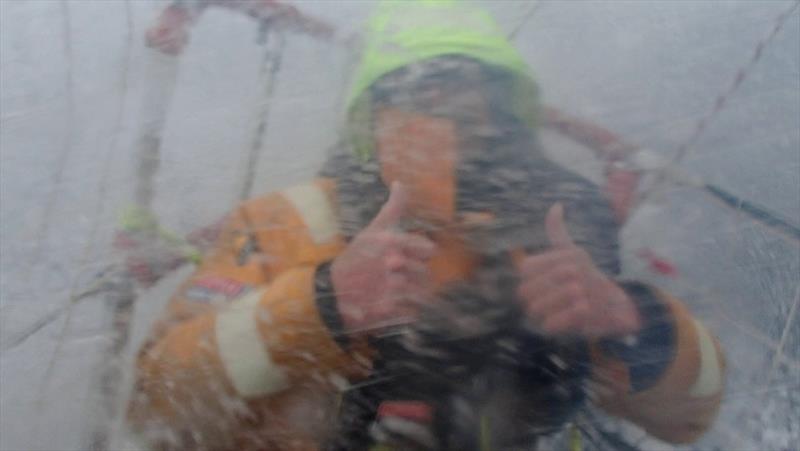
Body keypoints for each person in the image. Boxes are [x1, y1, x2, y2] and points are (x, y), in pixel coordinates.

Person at [127, 1, 726, 449]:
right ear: (375, 114)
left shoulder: (554, 235)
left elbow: (691, 415)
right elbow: (157, 400)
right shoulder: (289, 222)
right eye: (427, 89)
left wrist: (631, 319)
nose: (452, 110)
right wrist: (323, 303)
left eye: (470, 89)